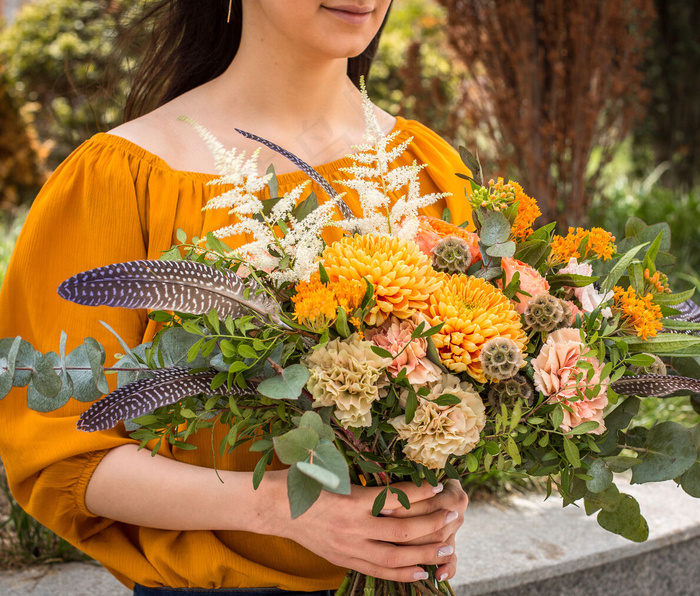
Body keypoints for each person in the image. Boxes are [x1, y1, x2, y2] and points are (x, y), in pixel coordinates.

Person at [0, 1, 473, 593]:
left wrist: (444, 487)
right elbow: (61, 457)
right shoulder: (118, 182)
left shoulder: (428, 170)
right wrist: (287, 507)